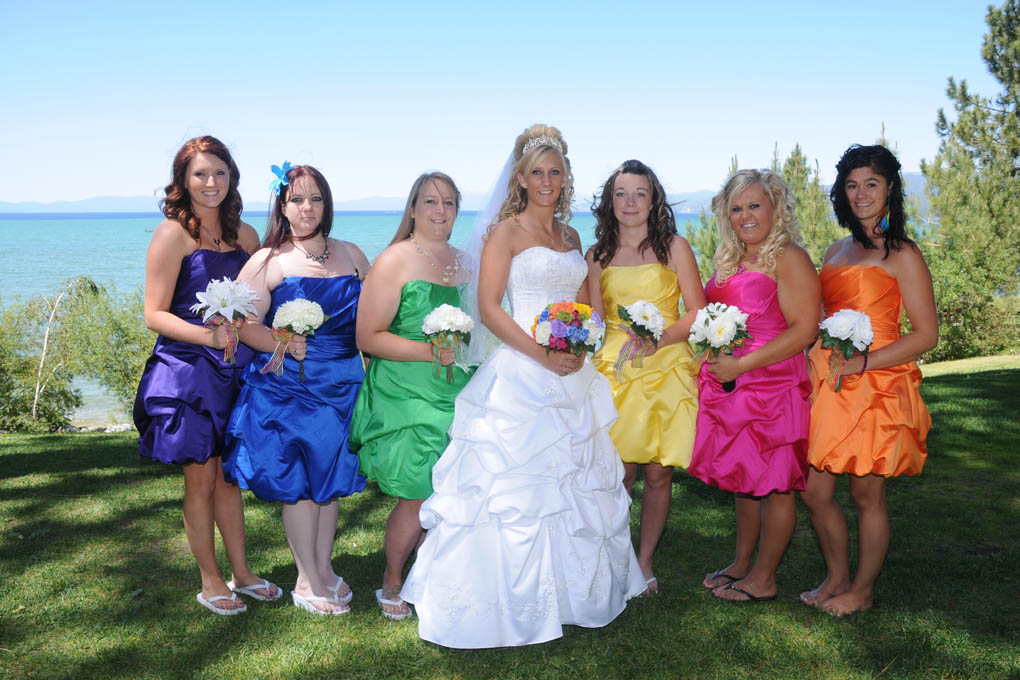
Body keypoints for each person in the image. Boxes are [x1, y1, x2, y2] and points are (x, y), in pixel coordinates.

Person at [400, 124, 646, 649]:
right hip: (521, 365)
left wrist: (582, 344)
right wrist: (540, 354)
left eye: (555, 172)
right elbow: (490, 307)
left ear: (565, 179)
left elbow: (588, 304)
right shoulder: (505, 232)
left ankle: (574, 596)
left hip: (573, 369)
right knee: (513, 492)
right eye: (537, 172)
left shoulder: (573, 237)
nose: (547, 180)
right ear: (521, 177)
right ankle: (500, 604)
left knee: (577, 484)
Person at [134, 135, 280, 615]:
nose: (211, 182)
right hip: (188, 373)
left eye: (219, 172)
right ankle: (210, 578)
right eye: (200, 174)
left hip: (235, 372)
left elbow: (254, 312)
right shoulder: (171, 235)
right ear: (183, 180)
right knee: (200, 479)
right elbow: (155, 313)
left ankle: (243, 572)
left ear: (231, 176)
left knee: (228, 480)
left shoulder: (248, 239)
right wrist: (209, 337)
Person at [222, 164, 370, 616]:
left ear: (327, 205)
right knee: (301, 485)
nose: (308, 209)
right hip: (291, 388)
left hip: (343, 384)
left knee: (330, 484)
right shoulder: (269, 261)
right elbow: (242, 324)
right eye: (298, 200)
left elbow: (375, 315)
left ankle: (323, 569)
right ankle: (306, 579)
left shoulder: (353, 254)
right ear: (282, 208)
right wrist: (283, 341)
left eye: (316, 199)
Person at [799, 144, 937, 616]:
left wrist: (863, 363)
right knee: (814, 493)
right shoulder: (835, 249)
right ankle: (836, 576)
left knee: (866, 493)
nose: (860, 194)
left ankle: (862, 589)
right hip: (831, 381)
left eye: (871, 184)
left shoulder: (903, 254)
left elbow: (926, 335)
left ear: (891, 190)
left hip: (877, 383)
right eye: (852, 185)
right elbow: (820, 316)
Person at [690, 169, 820, 602]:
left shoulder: (789, 257)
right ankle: (743, 561)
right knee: (745, 479)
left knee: (777, 483)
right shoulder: (732, 259)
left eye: (754, 205)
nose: (745, 215)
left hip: (773, 385)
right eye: (736, 208)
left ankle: (764, 579)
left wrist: (742, 363)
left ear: (775, 207)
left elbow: (803, 330)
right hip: (733, 383)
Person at [349, 172, 472, 621]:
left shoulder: (467, 262)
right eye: (431, 201)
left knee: (459, 488)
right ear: (414, 209)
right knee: (418, 491)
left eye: (449, 203)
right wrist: (430, 351)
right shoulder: (395, 260)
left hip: (459, 385)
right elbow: (367, 335)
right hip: (406, 389)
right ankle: (393, 578)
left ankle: (435, 574)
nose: (440, 211)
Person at [586, 160, 706, 593]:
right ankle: (612, 555)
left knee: (658, 473)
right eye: (621, 193)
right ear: (609, 201)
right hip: (616, 368)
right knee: (618, 473)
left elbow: (696, 311)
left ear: (653, 198)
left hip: (667, 363)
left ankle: (644, 559)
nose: (630, 202)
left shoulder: (674, 246)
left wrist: (659, 340)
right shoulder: (597, 255)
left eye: (639, 193)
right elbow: (596, 319)